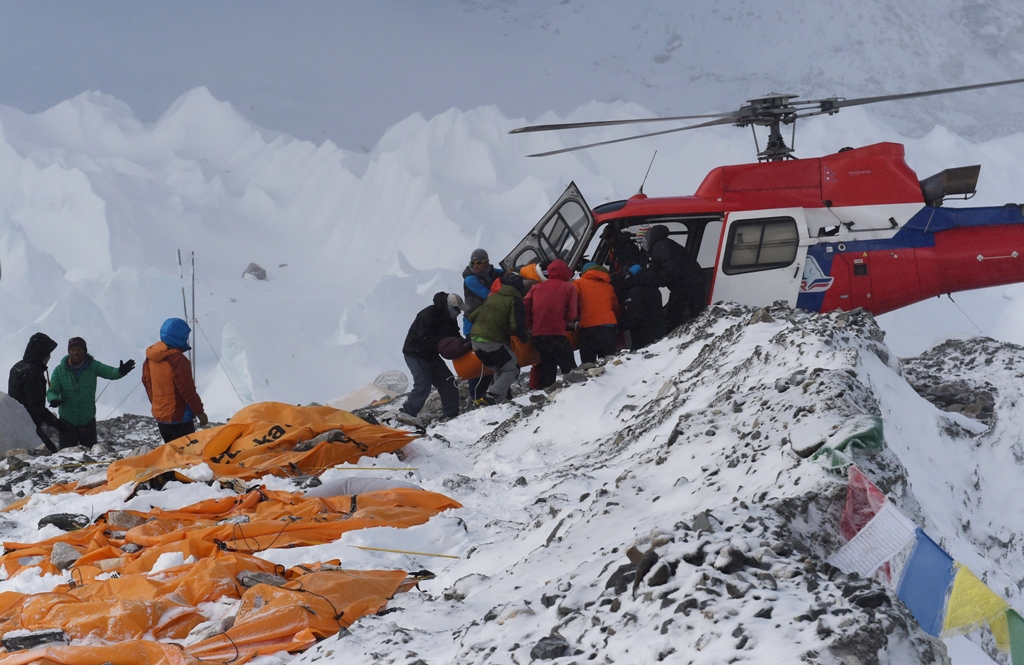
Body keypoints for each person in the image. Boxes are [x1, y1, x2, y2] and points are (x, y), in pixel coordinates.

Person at [46, 337, 135, 449]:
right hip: (67, 421)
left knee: (90, 454)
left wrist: (120, 371)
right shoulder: (59, 370)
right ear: (69, 352)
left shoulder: (93, 366)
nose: (76, 353)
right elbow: (52, 390)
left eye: (79, 349)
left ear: (85, 351)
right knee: (66, 457)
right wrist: (53, 399)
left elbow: (109, 372)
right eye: (72, 350)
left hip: (87, 420)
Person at [397, 292, 464, 427]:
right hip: (415, 353)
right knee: (423, 385)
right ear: (450, 306)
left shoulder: (448, 317)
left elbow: (454, 334)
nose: (459, 313)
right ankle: (406, 414)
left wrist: (463, 344)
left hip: (430, 354)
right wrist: (442, 343)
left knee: (448, 381)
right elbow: (422, 338)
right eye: (457, 309)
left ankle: (451, 414)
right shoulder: (428, 314)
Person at [466, 272, 529, 405]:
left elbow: (471, 316)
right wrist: (525, 337)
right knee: (513, 368)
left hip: (475, 340)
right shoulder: (515, 300)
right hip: (491, 341)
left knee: (500, 368)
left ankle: (498, 400)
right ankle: (493, 394)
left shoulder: (492, 297)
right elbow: (516, 326)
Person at [142, 318, 208, 443]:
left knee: (171, 452)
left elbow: (147, 383)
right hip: (179, 417)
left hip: (161, 416)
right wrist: (200, 412)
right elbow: (187, 390)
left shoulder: (151, 357)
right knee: (186, 455)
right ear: (180, 337)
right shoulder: (178, 360)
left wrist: (158, 406)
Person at [631, 224, 708, 330]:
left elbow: (669, 273)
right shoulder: (661, 246)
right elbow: (658, 269)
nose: (642, 247)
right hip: (690, 283)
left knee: (673, 317)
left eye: (642, 243)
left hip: (687, 285)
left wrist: (647, 279)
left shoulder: (660, 249)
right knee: (694, 314)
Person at [524, 259, 578, 389]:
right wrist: (563, 321)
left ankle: (547, 396)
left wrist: (531, 324)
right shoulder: (569, 287)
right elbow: (572, 314)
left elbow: (525, 305)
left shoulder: (536, 287)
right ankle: (576, 393)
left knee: (548, 366)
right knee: (569, 366)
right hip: (556, 333)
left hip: (538, 334)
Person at [8, 332, 61, 453]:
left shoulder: (17, 367)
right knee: (50, 453)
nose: (48, 357)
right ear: (40, 352)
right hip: (29, 424)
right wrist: (56, 423)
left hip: (17, 420)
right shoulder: (32, 373)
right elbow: (35, 407)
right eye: (47, 353)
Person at [462, 248, 504, 400]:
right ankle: (475, 398)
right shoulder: (470, 279)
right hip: (472, 327)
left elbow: (505, 272)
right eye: (473, 263)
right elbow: (489, 295)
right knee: (478, 364)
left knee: (492, 361)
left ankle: (493, 395)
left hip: (488, 327)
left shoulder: (492, 273)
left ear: (486, 262)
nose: (476, 265)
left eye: (479, 262)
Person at [574, 262, 620, 364]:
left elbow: (570, 300)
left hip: (588, 329)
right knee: (608, 364)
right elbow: (615, 308)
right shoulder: (609, 287)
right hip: (608, 329)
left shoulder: (578, 283)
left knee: (588, 364)